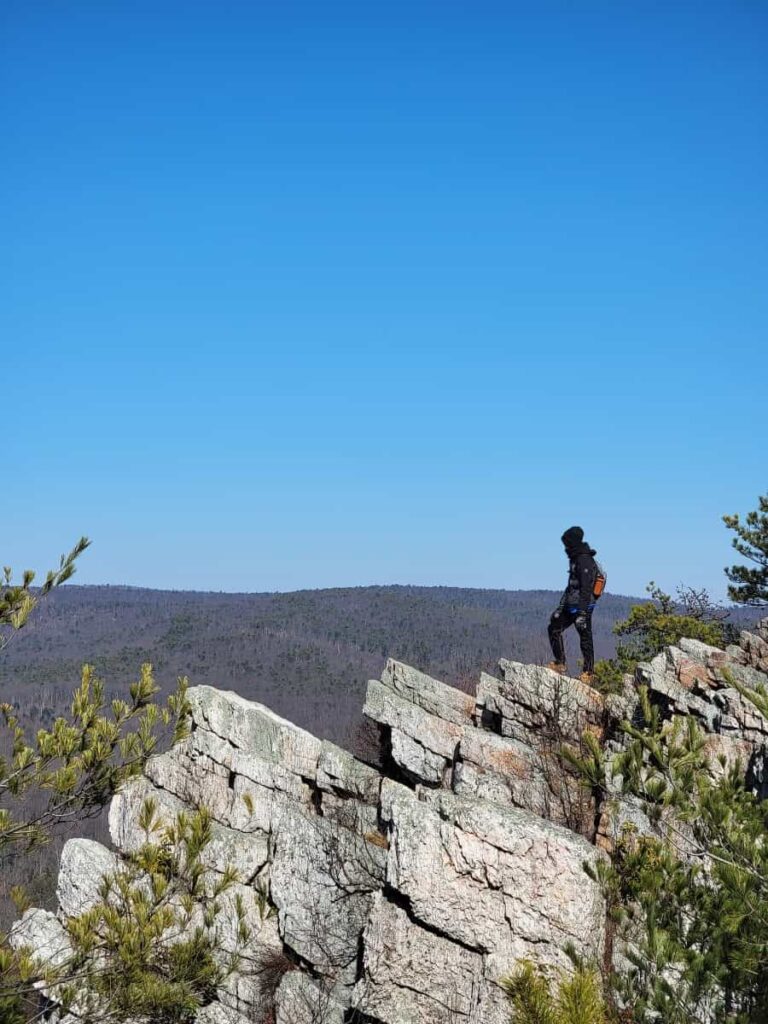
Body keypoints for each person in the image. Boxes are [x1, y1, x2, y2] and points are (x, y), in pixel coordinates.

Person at [547, 525, 599, 683]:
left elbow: (586, 588)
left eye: (567, 543)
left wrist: (582, 613)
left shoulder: (584, 560)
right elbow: (570, 586)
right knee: (554, 627)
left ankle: (588, 673)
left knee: (585, 637)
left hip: (582, 606)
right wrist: (561, 607)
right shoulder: (575, 559)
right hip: (571, 605)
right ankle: (560, 663)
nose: (565, 547)